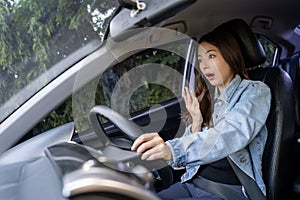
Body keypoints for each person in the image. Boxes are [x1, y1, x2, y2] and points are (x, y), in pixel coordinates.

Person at [131, 29, 271, 200]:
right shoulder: (209, 97)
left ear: (231, 55)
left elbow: (231, 134)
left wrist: (173, 149)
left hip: (228, 191)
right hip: (194, 180)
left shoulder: (255, 91)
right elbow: (196, 155)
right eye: (200, 60)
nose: (204, 66)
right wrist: (196, 121)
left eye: (211, 56)